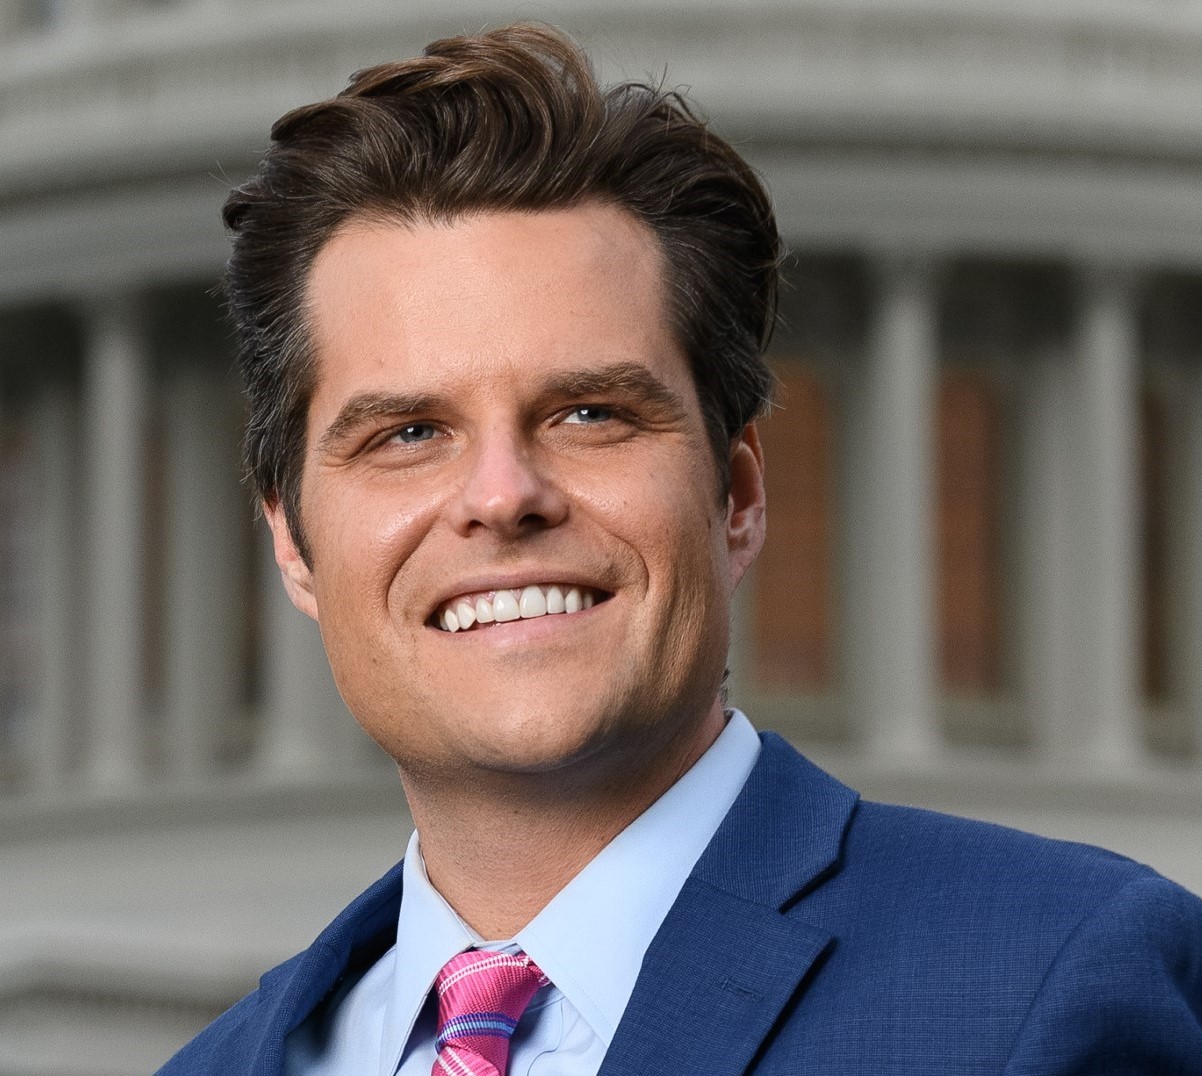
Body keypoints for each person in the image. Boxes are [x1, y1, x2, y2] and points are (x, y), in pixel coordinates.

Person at [159, 22, 1202, 1076]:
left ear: (736, 494)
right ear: (292, 541)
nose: (502, 496)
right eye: (409, 433)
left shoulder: (1045, 985)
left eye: (589, 414)